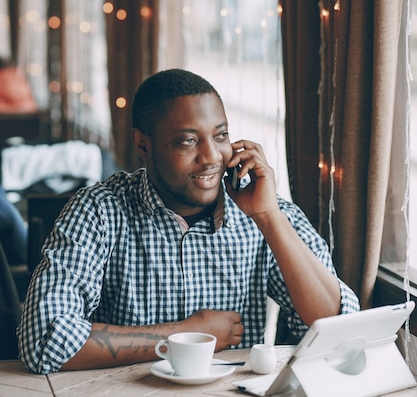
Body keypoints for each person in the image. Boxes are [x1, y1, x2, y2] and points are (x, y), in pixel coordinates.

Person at [18, 69, 359, 373]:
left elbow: (337, 330)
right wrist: (187, 334)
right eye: (188, 141)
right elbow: (44, 339)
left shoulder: (267, 211)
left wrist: (269, 218)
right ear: (143, 144)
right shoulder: (99, 211)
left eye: (220, 136)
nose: (211, 157)